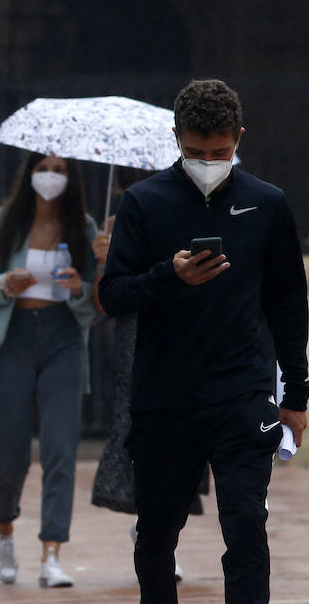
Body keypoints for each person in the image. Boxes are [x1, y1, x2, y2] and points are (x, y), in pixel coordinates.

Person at [98, 79, 309, 604]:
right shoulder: (143, 203)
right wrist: (169, 276)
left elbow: (288, 306)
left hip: (242, 394)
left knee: (245, 528)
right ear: (176, 138)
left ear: (238, 138)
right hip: (164, 398)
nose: (209, 161)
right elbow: (113, 295)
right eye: (196, 152)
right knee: (156, 538)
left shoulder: (267, 203)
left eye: (220, 152)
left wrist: (296, 397)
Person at [0, 153, 99, 588]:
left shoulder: (85, 227)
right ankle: (4, 528)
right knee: (12, 454)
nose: (50, 177)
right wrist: (5, 284)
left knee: (60, 449)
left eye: (60, 171)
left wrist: (82, 288)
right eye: (44, 168)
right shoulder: (5, 221)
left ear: (71, 178)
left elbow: (99, 301)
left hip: (62, 339)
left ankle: (51, 553)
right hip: (12, 339)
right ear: (29, 174)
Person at [89, 173, 206, 585]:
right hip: (133, 337)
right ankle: (152, 528)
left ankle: (162, 527)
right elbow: (106, 302)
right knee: (138, 425)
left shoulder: (186, 211)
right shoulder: (111, 226)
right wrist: (103, 262)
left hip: (179, 333)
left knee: (182, 431)